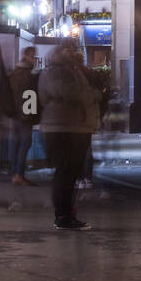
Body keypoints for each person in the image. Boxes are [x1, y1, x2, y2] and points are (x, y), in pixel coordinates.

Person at [37, 41, 99, 230]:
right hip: (64, 128)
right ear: (59, 51)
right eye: (67, 48)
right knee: (65, 173)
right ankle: (63, 216)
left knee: (69, 174)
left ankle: (66, 214)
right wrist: (95, 94)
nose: (72, 52)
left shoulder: (69, 69)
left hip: (73, 127)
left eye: (74, 48)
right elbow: (69, 93)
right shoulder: (56, 71)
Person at [8, 47, 38, 188]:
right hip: (24, 115)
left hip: (15, 114)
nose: (34, 59)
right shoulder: (26, 74)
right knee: (25, 143)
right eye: (33, 56)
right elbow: (28, 96)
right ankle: (19, 174)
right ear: (25, 56)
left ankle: (15, 173)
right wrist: (31, 115)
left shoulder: (15, 72)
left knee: (16, 143)